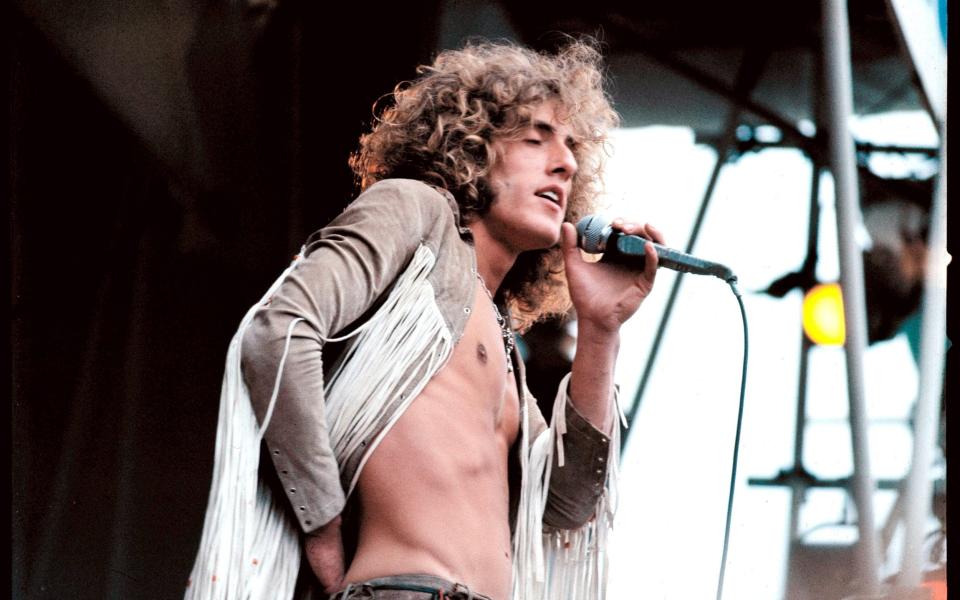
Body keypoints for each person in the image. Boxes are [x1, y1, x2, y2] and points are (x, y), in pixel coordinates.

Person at [186, 39, 664, 600]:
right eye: (536, 138)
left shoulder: (499, 334)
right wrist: (322, 521)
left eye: (571, 148)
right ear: (472, 147)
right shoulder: (416, 209)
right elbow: (281, 327)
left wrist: (601, 330)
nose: (565, 162)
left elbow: (566, 503)